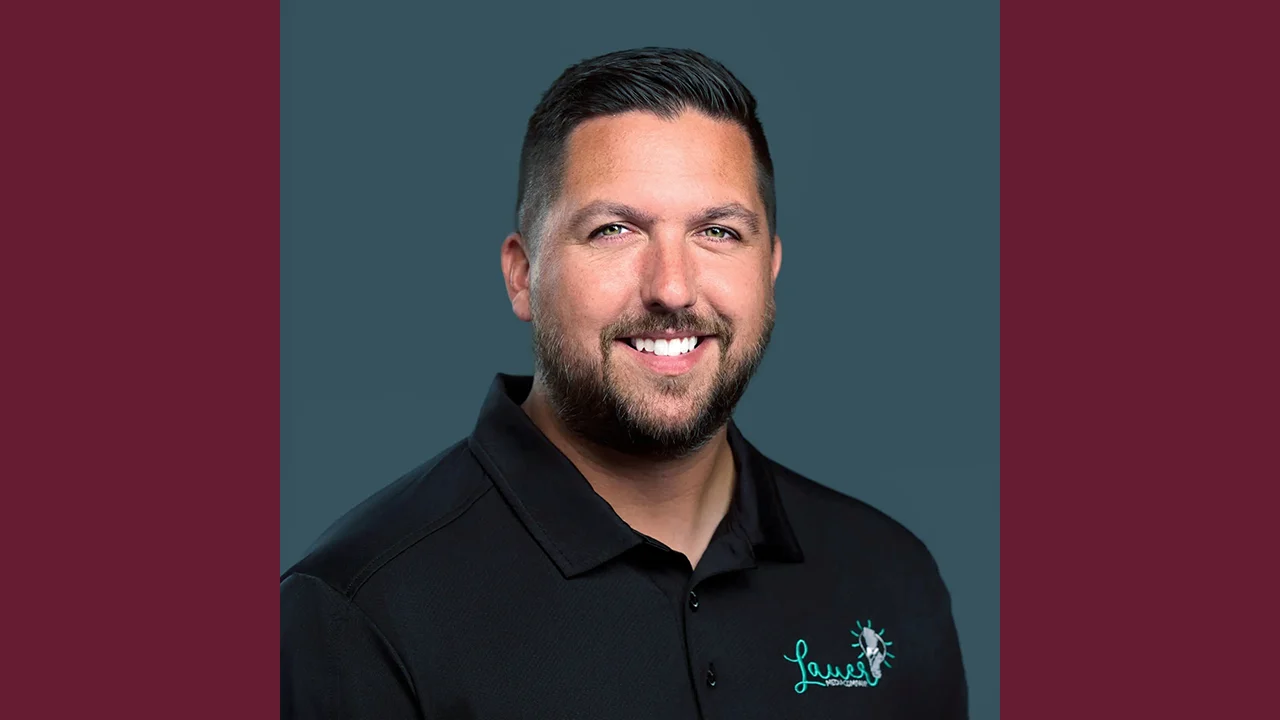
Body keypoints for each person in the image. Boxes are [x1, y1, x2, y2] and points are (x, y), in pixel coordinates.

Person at [281, 47, 968, 718]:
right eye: (614, 229)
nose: (671, 287)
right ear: (523, 274)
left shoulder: (889, 576)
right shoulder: (359, 610)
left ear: (771, 267)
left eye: (719, 232)